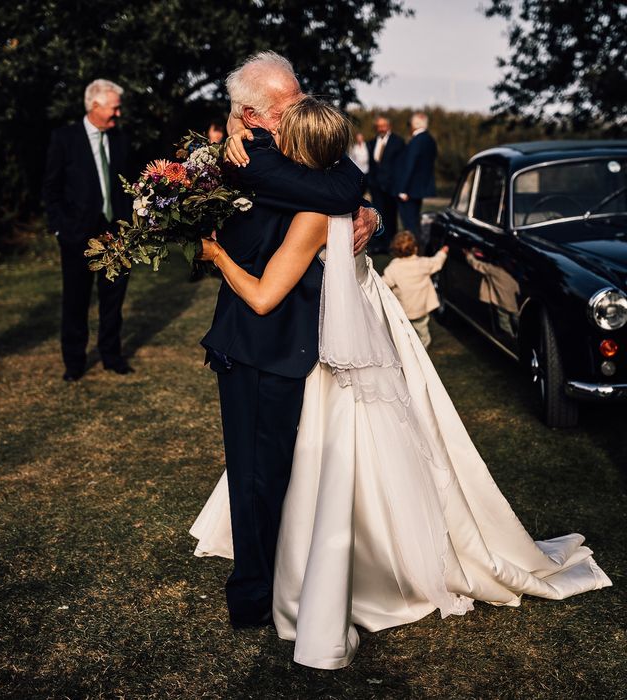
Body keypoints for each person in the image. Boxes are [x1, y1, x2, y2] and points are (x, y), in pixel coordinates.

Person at [192, 96, 611, 670]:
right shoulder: (290, 169)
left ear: (294, 145)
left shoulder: (314, 199)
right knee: (327, 458)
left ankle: (329, 573)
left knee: (324, 461)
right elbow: (338, 188)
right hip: (344, 344)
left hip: (321, 348)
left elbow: (278, 278)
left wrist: (215, 253)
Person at [199, 53, 380, 629]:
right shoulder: (249, 161)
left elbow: (347, 185)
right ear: (251, 116)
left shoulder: (284, 156)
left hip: (277, 342)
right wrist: (360, 199)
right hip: (258, 340)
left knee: (268, 471)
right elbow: (343, 185)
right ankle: (258, 589)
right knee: (258, 471)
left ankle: (267, 585)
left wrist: (370, 212)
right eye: (286, 107)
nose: (298, 111)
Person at [43, 79, 133, 381]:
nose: (118, 114)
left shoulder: (120, 138)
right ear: (95, 106)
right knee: (76, 300)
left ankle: (112, 355)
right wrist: (60, 229)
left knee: (114, 299)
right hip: (76, 235)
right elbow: (51, 188)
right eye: (114, 108)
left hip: (117, 232)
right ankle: (74, 362)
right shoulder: (64, 138)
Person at [382, 230, 448, 349]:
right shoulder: (422, 263)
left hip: (403, 311)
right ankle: (421, 355)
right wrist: (443, 252)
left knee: (404, 335)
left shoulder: (393, 268)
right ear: (416, 249)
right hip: (421, 310)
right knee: (423, 336)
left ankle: (407, 353)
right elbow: (437, 262)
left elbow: (383, 284)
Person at [396, 111, 437, 239]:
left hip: (409, 190)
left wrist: (403, 190)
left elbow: (409, 166)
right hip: (419, 188)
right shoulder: (430, 140)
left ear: (414, 124)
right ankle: (416, 250)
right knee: (414, 221)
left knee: (409, 223)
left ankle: (412, 251)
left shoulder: (416, 141)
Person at [366, 115, 404, 251]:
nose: (381, 128)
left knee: (391, 216)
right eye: (379, 126)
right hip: (375, 186)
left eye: (383, 125)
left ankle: (390, 244)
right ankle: (378, 244)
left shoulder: (398, 142)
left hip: (391, 186)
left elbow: (400, 166)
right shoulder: (371, 142)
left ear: (389, 126)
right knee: (377, 215)